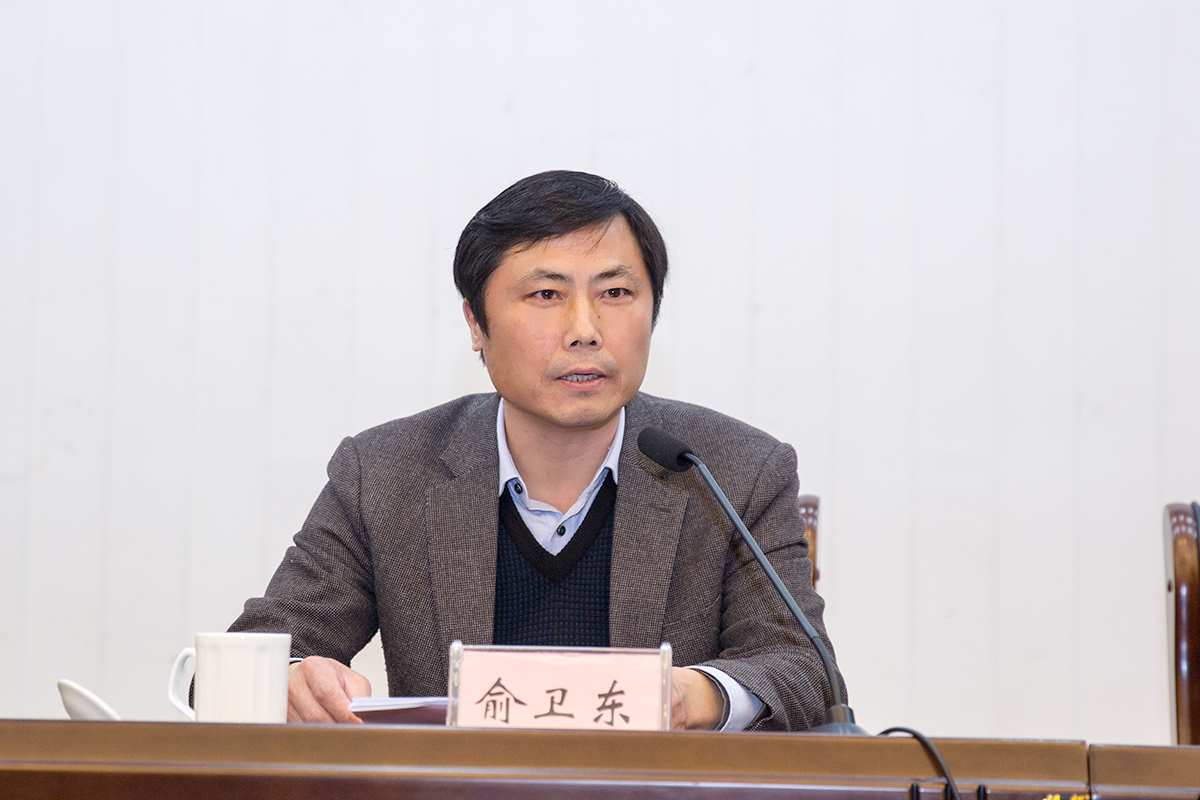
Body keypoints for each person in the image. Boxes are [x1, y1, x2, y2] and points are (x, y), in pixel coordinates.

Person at [229, 170, 844, 731]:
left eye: (615, 293)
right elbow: (249, 656)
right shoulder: (388, 472)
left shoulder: (732, 470)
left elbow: (804, 669)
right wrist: (294, 679)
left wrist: (698, 695)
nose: (585, 330)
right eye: (547, 295)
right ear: (476, 323)